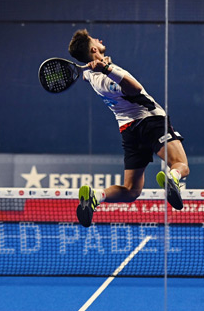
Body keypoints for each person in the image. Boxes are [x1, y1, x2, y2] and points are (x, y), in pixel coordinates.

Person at [68, 29, 190, 227]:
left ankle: (95, 197)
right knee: (181, 165)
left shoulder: (90, 75)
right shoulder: (108, 77)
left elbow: (85, 76)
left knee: (131, 190)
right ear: (93, 48)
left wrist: (95, 67)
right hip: (150, 121)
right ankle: (172, 178)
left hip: (128, 131)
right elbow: (135, 89)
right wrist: (108, 69)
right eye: (95, 39)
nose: (100, 39)